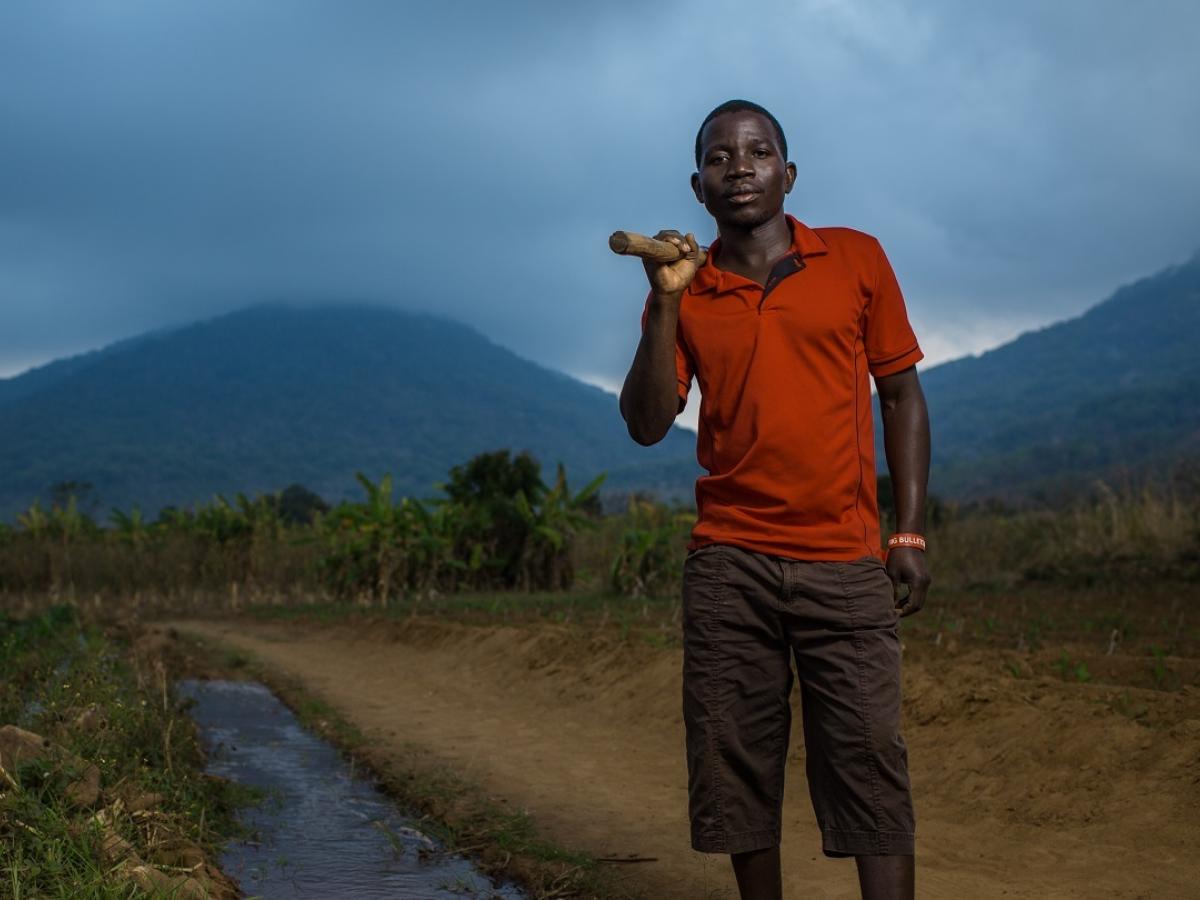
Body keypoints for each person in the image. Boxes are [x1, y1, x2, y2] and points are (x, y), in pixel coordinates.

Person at [619, 99, 931, 900]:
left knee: (867, 755)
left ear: (788, 175)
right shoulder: (686, 290)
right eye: (720, 157)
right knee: (735, 759)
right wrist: (665, 302)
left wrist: (909, 535)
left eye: (757, 152)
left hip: (844, 560)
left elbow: (899, 395)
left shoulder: (856, 260)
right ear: (699, 187)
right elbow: (648, 424)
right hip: (731, 564)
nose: (740, 166)